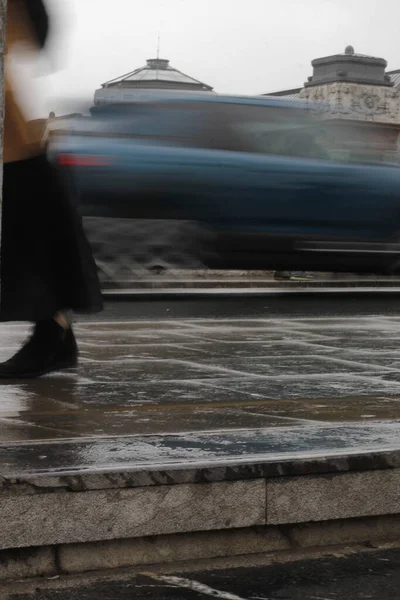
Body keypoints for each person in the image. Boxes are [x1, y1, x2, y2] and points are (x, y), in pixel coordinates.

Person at [0, 0, 103, 378]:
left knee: (29, 243)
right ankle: (53, 336)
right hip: (16, 147)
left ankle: (52, 336)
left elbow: (31, 35)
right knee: (29, 243)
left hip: (14, 147)